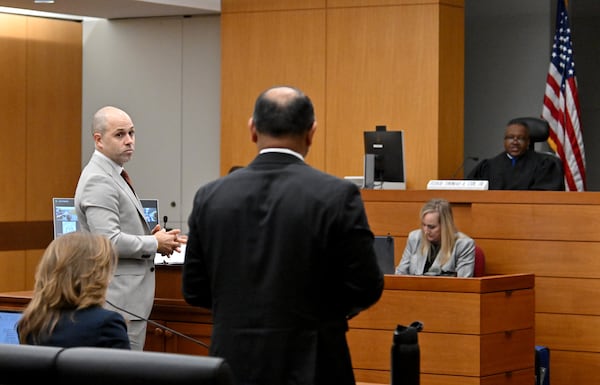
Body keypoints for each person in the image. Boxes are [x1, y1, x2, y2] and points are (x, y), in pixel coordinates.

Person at [182, 85, 384, 385]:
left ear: (252, 130)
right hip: (314, 363)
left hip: (234, 363)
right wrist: (319, 314)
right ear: (311, 133)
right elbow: (366, 286)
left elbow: (195, 289)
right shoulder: (337, 196)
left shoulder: (210, 197)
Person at [74, 105, 185, 350]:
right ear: (98, 140)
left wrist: (152, 237)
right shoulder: (98, 179)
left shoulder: (114, 173)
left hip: (126, 303)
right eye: (120, 134)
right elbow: (109, 240)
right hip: (116, 303)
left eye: (132, 133)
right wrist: (154, 243)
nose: (129, 141)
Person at [17, 232, 130, 349]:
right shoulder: (107, 324)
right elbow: (124, 366)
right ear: (94, 275)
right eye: (106, 269)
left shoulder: (30, 323)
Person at [466, 119, 565, 190]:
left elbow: (545, 197)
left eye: (520, 138)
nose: (515, 142)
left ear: (528, 141)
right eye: (510, 137)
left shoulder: (545, 165)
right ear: (504, 141)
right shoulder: (489, 166)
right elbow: (469, 188)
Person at [395, 198, 475, 277]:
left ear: (445, 226)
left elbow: (464, 284)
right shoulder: (414, 238)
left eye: (431, 227)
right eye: (423, 225)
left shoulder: (463, 245)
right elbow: (400, 274)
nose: (426, 231)